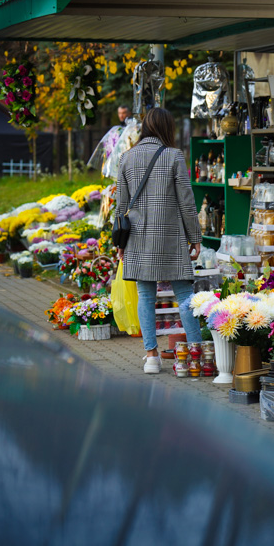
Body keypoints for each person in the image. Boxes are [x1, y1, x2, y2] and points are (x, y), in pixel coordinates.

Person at [115, 108, 202, 374]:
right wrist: (194, 237)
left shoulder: (127, 158)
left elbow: (121, 206)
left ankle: (152, 356)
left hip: (139, 237)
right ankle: (196, 354)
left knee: (145, 295)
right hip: (171, 236)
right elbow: (187, 202)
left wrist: (120, 243)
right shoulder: (174, 156)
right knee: (185, 294)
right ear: (167, 129)